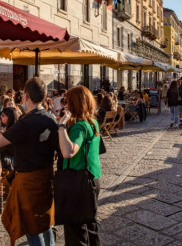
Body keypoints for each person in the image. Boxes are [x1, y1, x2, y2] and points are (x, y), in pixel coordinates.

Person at [0, 77, 58, 245]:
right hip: (47, 176)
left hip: (28, 180)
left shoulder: (25, 122)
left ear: (26, 96)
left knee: (31, 226)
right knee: (45, 221)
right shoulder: (51, 119)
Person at [57, 85, 102, 246]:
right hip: (92, 178)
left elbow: (68, 152)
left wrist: (62, 125)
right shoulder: (93, 123)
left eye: (68, 102)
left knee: (76, 231)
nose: (65, 106)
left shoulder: (79, 128)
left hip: (77, 181)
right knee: (90, 225)